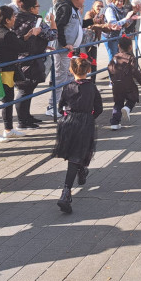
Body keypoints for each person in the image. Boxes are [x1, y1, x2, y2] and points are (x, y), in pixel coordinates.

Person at [52, 55, 103, 214]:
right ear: (88, 70)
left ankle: (81, 171)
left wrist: (68, 114)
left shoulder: (68, 87)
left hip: (69, 123)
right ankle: (66, 193)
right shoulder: (92, 88)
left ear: (71, 70)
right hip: (85, 122)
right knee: (78, 154)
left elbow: (61, 107)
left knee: (76, 152)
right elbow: (99, 108)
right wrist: (89, 116)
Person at [0, 6, 44, 142]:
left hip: (6, 71)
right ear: (7, 20)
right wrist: (33, 36)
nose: (15, 19)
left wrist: (27, 35)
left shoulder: (0, 31)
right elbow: (23, 48)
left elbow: (16, 43)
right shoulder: (5, 33)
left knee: (8, 100)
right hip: (0, 72)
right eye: (13, 17)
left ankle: (8, 129)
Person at [12, 0, 57, 127]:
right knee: (25, 90)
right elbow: (52, 35)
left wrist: (42, 44)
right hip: (31, 58)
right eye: (37, 7)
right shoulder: (35, 20)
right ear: (32, 9)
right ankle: (22, 120)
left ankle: (26, 116)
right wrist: (53, 22)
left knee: (27, 89)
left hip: (21, 57)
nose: (38, 9)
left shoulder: (16, 18)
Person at [52, 0, 92, 116]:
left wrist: (93, 21)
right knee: (60, 76)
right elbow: (59, 25)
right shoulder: (66, 7)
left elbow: (78, 26)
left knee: (69, 77)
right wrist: (64, 43)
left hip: (72, 49)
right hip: (63, 49)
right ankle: (52, 106)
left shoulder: (75, 9)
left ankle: (65, 104)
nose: (84, 0)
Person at [107, 36, 141, 130]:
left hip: (116, 84)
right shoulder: (131, 58)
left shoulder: (115, 57)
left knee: (118, 103)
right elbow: (134, 71)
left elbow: (110, 68)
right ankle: (127, 108)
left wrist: (112, 79)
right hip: (128, 83)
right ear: (130, 47)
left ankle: (114, 123)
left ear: (118, 46)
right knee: (133, 97)